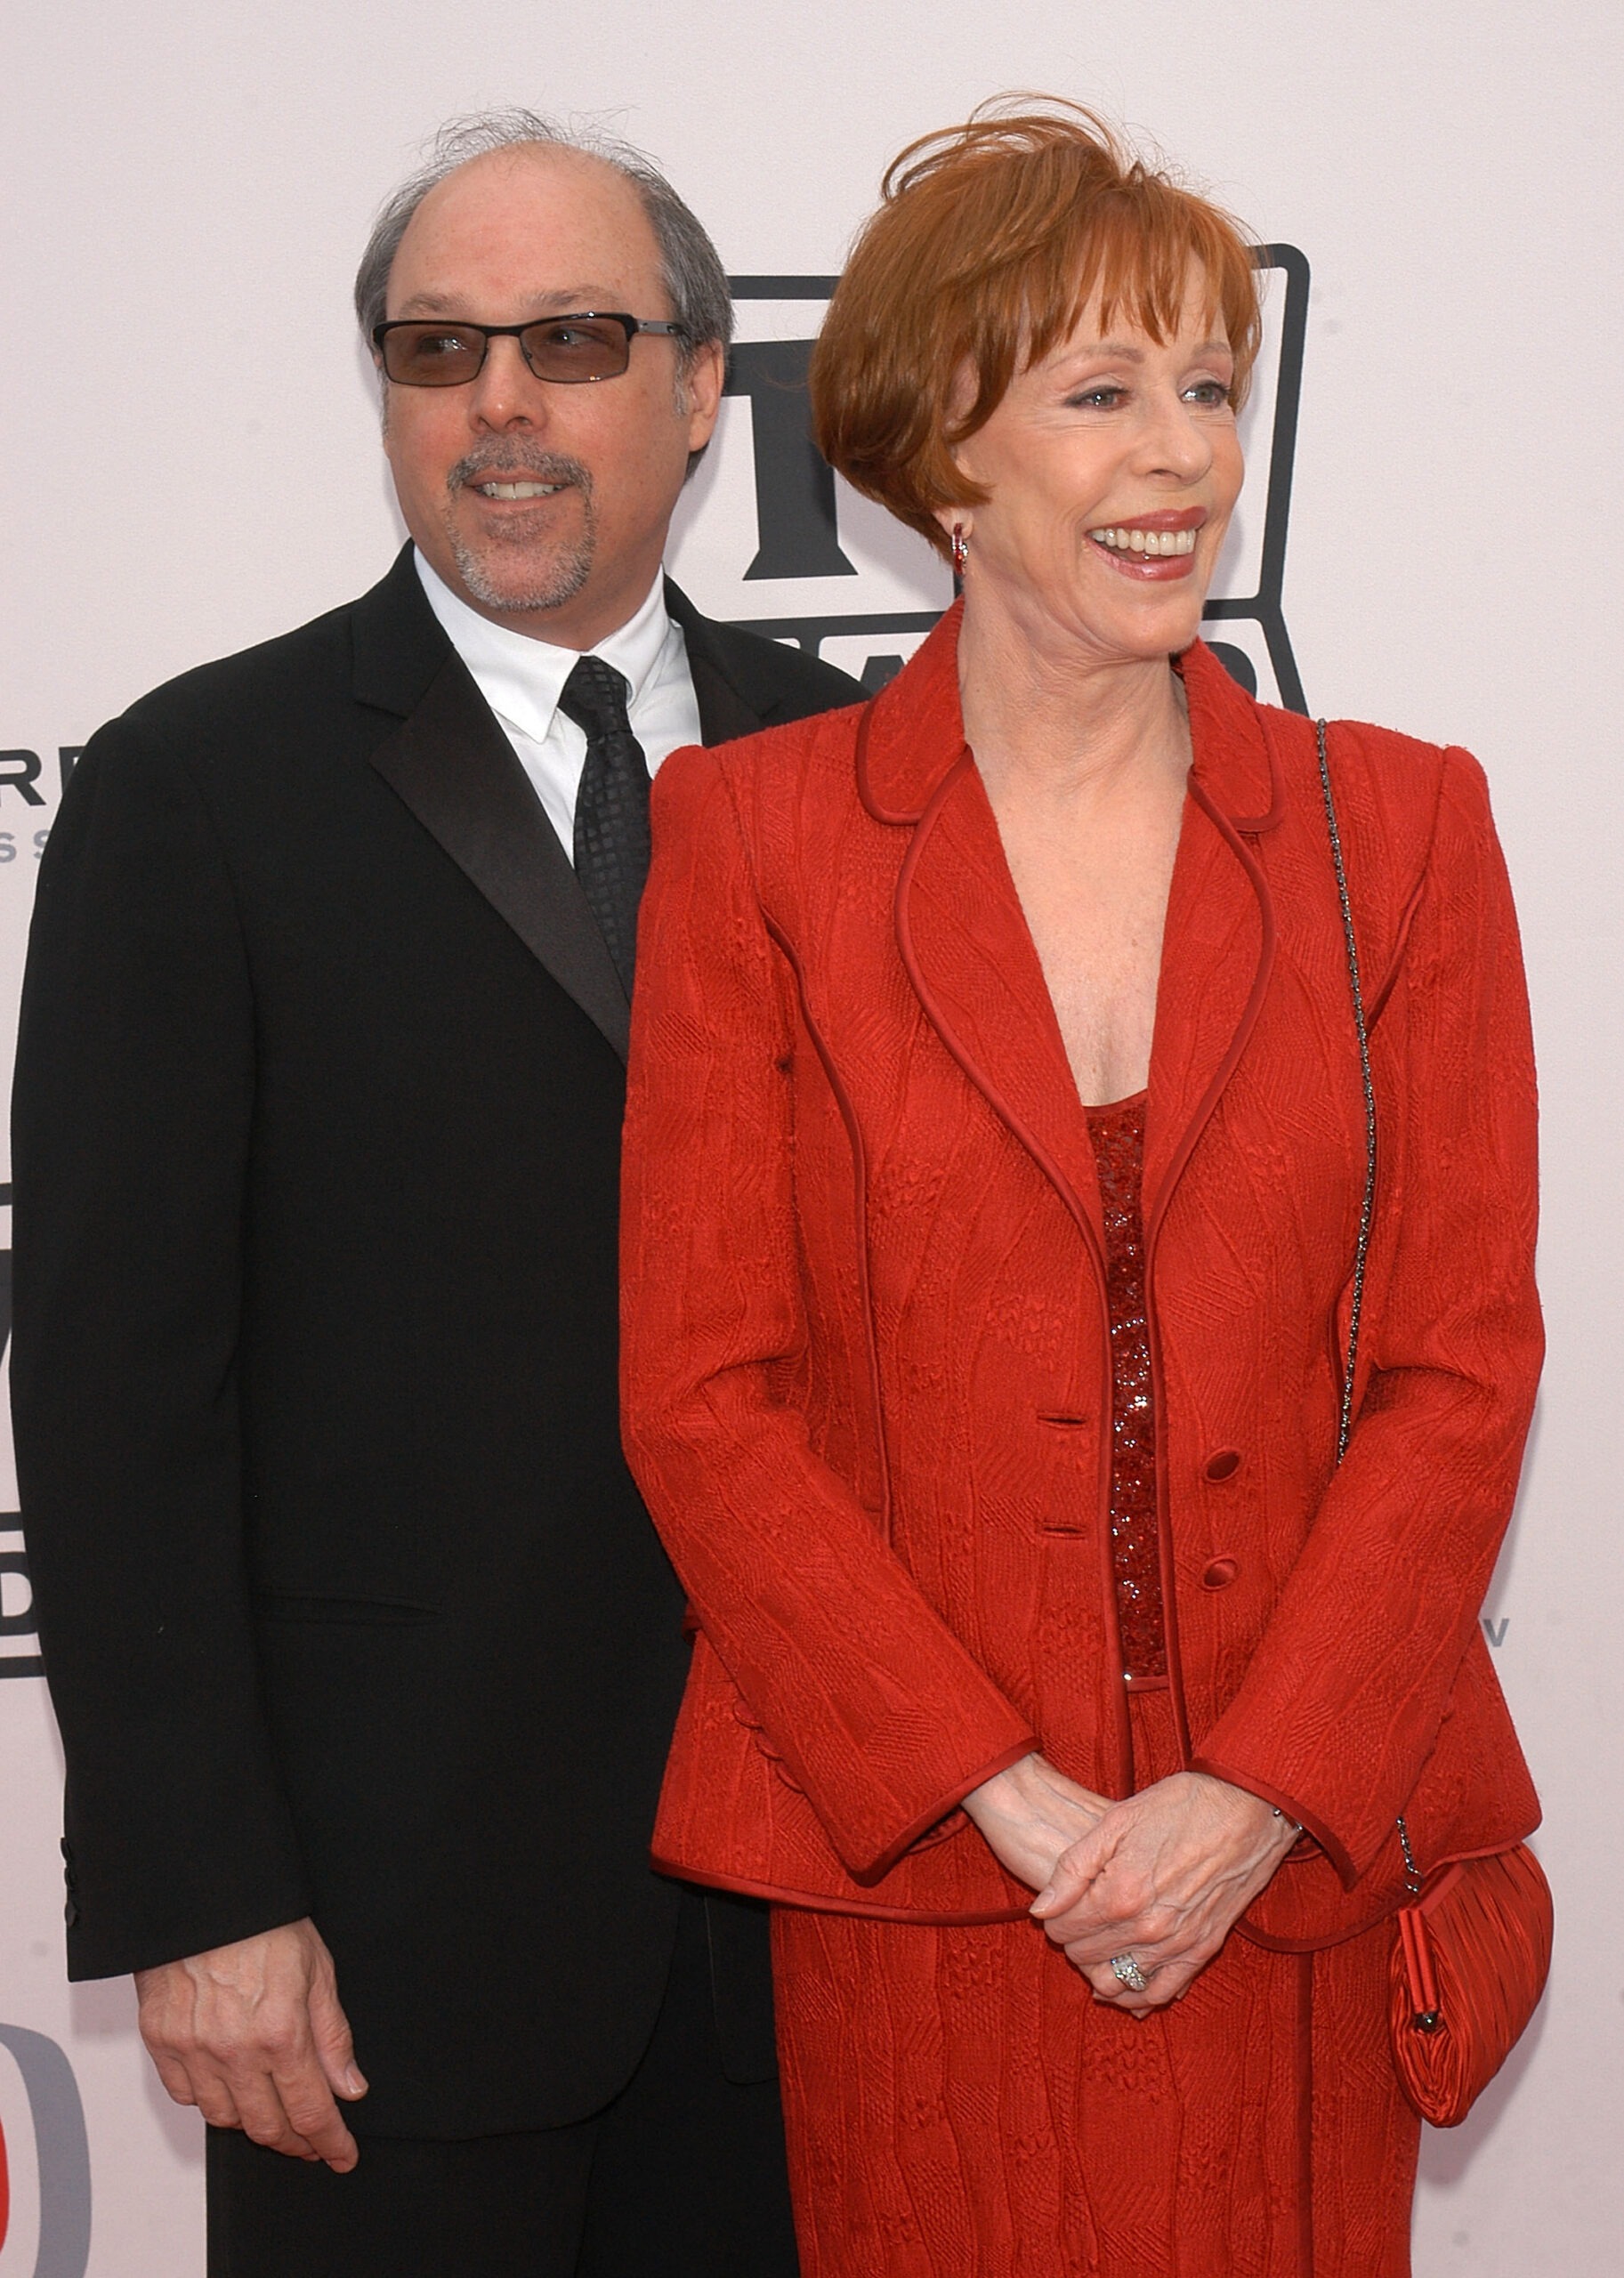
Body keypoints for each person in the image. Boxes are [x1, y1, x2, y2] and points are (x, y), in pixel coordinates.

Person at [618, 102, 1543, 2276]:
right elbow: (704, 1392)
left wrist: (1246, 1800)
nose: (1187, 461)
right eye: (1105, 394)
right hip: (930, 1886)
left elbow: (1455, 1365)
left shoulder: (1394, 827)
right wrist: (1011, 1802)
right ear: (946, 452)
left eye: (1212, 390)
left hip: (1290, 1883)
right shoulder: (750, 843)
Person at [12, 109, 859, 2278]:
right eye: (433, 345)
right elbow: (116, 1396)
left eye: (569, 339)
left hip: (815, 1912)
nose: (497, 402)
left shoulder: (861, 761)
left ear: (697, 386)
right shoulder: (199, 786)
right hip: (380, 1948)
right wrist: (200, 1891)